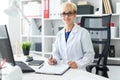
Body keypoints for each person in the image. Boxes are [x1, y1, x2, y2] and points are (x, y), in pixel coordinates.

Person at [48, 2, 95, 70]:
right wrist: (54, 60)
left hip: (79, 71)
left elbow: (90, 56)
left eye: (70, 13)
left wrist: (77, 64)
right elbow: (56, 53)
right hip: (63, 70)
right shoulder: (59, 34)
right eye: (64, 13)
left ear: (75, 14)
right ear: (61, 15)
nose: (66, 16)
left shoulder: (83, 33)